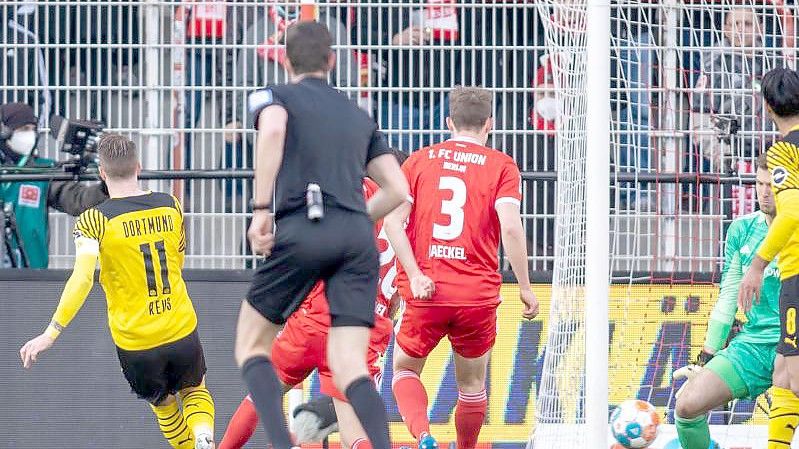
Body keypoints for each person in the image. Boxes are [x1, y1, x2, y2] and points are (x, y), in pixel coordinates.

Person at [235, 21, 408, 449]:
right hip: (354, 241)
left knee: (252, 347)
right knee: (351, 369)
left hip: (303, 229)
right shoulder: (359, 115)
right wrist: (353, 218)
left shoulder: (275, 96)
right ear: (333, 61)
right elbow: (398, 189)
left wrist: (261, 211)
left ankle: (282, 444)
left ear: (285, 59)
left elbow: (273, 130)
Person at [18, 134, 216, 449]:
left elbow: (82, 279)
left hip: (136, 340)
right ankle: (204, 437)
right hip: (179, 325)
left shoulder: (92, 221)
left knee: (164, 406)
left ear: (102, 173)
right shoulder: (170, 205)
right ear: (138, 166)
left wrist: (50, 333)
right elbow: (178, 257)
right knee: (195, 390)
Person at [383, 86, 539, 449]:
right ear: (490, 124)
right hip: (476, 294)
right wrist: (525, 287)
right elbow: (512, 227)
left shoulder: (419, 161)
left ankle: (423, 436)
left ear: (449, 121)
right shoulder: (502, 165)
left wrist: (416, 274)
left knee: (404, 370)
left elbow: (392, 224)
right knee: (472, 385)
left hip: (428, 290)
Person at [221, 169, 405, 449]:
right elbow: (395, 299)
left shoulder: (338, 190)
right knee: (354, 435)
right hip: (359, 333)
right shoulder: (403, 216)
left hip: (314, 321)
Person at [672, 152, 781, 449]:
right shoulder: (743, 229)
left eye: (772, 184)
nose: (764, 191)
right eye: (759, 183)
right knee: (687, 406)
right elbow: (728, 296)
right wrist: (707, 355)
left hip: (793, 344)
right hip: (755, 344)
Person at [738, 68, 799, 449]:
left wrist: (757, 265)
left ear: (765, 106)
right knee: (782, 372)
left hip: (798, 274)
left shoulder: (784, 150)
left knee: (795, 374)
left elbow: (791, 212)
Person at [0, 102, 107, 268]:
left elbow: (79, 200)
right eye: (23, 129)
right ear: (4, 133)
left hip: (32, 272)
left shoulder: (43, 171)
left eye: (32, 129)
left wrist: (107, 186)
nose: (29, 134)